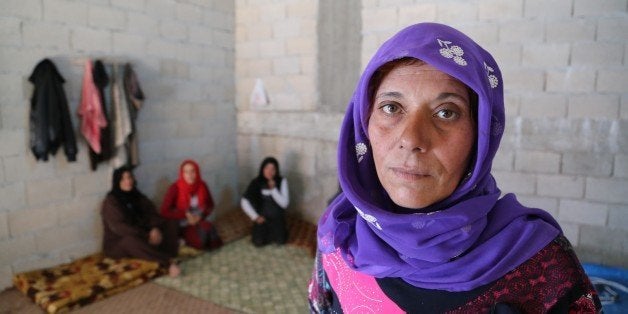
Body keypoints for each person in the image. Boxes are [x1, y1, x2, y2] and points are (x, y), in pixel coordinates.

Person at [308, 23, 601, 313]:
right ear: (364, 122)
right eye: (391, 108)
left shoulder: (542, 265)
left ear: (481, 135)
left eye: (446, 112)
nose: (412, 139)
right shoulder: (340, 238)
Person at [101, 166, 180, 277]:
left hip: (143, 235)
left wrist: (154, 228)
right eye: (123, 179)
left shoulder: (137, 196)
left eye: (129, 177)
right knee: (130, 241)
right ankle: (167, 263)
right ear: (117, 182)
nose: (128, 181)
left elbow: (152, 214)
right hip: (118, 243)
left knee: (171, 223)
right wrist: (146, 234)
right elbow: (120, 228)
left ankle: (168, 254)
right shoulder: (111, 202)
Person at [160, 159, 222, 250]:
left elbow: (210, 205)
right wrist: (185, 214)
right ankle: (181, 240)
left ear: (197, 172)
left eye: (192, 171)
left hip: (197, 220)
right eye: (186, 172)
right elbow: (164, 211)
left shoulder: (202, 185)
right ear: (182, 174)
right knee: (199, 242)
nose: (189, 175)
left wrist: (200, 217)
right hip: (181, 223)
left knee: (209, 229)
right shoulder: (175, 188)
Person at [241, 157, 290, 246]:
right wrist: (255, 217)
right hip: (263, 219)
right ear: (262, 169)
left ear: (276, 171)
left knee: (280, 241)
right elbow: (244, 201)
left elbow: (285, 204)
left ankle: (280, 231)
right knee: (258, 242)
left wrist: (273, 189)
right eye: (267, 168)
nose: (269, 172)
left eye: (273, 169)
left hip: (277, 218)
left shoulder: (282, 181)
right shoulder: (256, 182)